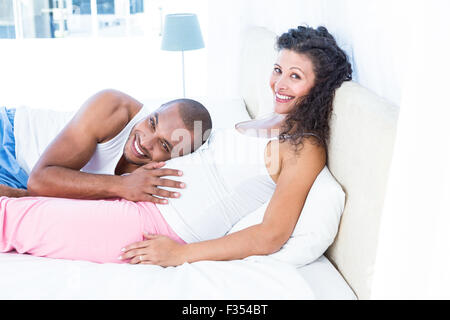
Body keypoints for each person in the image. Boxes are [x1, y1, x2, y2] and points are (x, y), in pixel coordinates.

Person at [0, 25, 352, 266]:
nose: (280, 83)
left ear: (318, 88)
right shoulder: (263, 119)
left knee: (11, 221)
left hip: (158, 226)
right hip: (138, 201)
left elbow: (271, 234)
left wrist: (180, 255)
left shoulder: (302, 147)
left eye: (296, 76)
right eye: (278, 69)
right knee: (18, 199)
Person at [0, 89, 212, 204]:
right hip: (9, 135)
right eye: (152, 123)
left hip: (21, 179)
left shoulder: (161, 177)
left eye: (164, 145)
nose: (145, 142)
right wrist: (121, 186)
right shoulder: (112, 106)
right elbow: (40, 180)